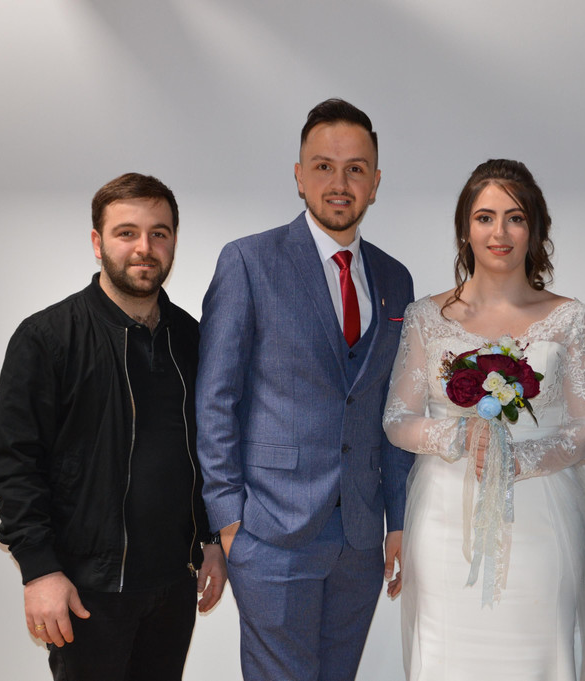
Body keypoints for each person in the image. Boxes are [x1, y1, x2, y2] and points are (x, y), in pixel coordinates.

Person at [196, 99, 414, 681]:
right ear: (299, 175)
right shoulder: (248, 261)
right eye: (323, 167)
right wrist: (229, 520)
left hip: (360, 538)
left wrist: (397, 519)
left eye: (355, 169)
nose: (339, 183)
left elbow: (394, 408)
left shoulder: (395, 278)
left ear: (375, 182)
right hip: (270, 532)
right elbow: (215, 399)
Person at [0, 172, 226, 681]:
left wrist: (210, 541)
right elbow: (13, 466)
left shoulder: (192, 338)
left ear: (174, 242)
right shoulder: (47, 338)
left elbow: (207, 448)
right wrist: (40, 571)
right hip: (85, 589)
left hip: (173, 585)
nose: (144, 248)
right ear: (98, 243)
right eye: (126, 232)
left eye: (159, 233)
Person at [383, 159, 585, 680]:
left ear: (535, 230)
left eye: (515, 218)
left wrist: (522, 457)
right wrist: (459, 433)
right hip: (444, 520)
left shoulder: (571, 318)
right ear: (465, 228)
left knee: (539, 654)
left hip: (541, 517)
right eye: (485, 217)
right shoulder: (425, 317)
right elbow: (397, 417)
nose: (499, 232)